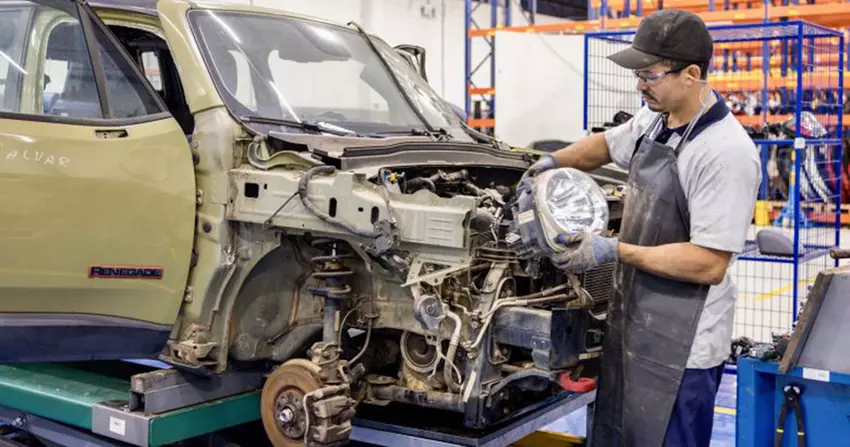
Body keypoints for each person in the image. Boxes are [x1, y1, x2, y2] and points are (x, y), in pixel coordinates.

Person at [521, 9, 762, 447]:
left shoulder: (724, 153)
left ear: (691, 74)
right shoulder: (657, 119)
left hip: (683, 347)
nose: (639, 85)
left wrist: (615, 251)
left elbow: (709, 263)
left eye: (649, 74)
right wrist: (550, 163)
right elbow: (604, 146)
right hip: (634, 323)